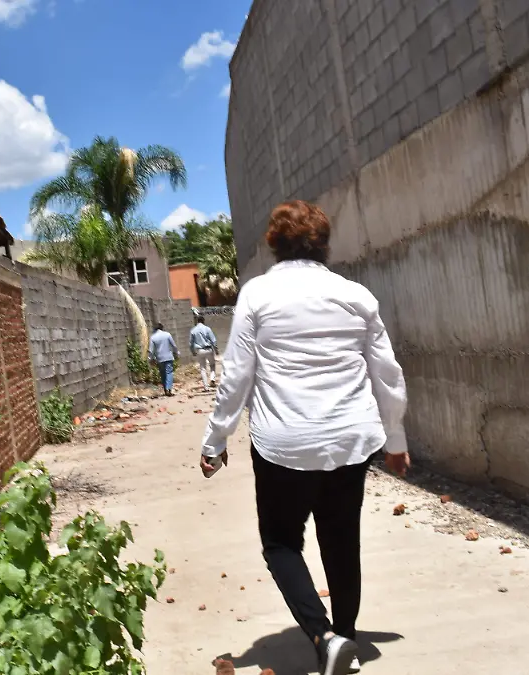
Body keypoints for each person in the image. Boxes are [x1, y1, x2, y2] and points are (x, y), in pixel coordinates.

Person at [199, 200, 409, 675]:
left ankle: (323, 635)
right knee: (341, 539)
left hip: (284, 443)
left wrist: (216, 440)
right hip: (350, 440)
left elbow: (236, 377)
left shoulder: (257, 295)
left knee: (280, 543)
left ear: (274, 245)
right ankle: (347, 638)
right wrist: (394, 439)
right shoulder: (357, 296)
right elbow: (387, 375)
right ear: (323, 244)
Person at [147, 322, 179, 396]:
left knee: (162, 374)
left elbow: (151, 350)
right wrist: (176, 353)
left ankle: (165, 389)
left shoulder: (153, 337)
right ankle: (169, 389)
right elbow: (174, 345)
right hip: (168, 357)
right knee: (169, 372)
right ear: (162, 328)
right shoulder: (167, 334)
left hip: (159, 358)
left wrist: (151, 359)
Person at [189, 315, 219, 390]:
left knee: (203, 368)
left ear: (197, 321)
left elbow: (190, 343)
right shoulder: (207, 329)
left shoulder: (193, 330)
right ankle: (212, 379)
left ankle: (206, 387)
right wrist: (216, 350)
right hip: (208, 349)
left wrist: (193, 352)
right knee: (212, 365)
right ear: (203, 321)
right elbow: (213, 340)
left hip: (199, 350)